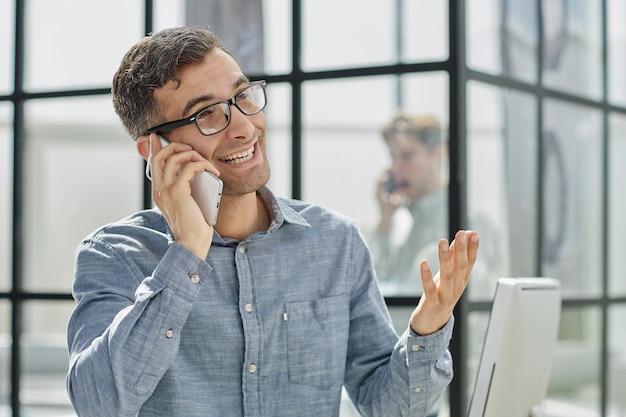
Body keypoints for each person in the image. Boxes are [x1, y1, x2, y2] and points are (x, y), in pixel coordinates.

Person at [65, 26, 479, 417]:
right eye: (208, 114)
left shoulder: (336, 242)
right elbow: (98, 404)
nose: (246, 128)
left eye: (243, 96)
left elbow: (387, 405)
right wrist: (187, 251)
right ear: (154, 149)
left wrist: (427, 331)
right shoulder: (114, 255)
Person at [368, 113, 448, 295]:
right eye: (393, 158)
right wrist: (385, 222)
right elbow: (372, 290)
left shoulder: (467, 223)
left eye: (407, 156)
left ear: (437, 153)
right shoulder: (400, 224)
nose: (396, 168)